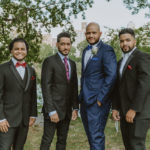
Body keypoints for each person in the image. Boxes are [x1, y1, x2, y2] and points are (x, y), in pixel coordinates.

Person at [79, 22, 117, 150]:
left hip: (97, 102)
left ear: (100, 33)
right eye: (88, 33)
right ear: (85, 34)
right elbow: (85, 76)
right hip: (85, 101)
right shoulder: (85, 51)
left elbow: (111, 76)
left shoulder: (107, 50)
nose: (91, 35)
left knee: (96, 136)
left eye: (94, 32)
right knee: (91, 136)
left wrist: (101, 99)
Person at [112, 28, 150, 150]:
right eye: (122, 41)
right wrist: (115, 108)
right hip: (124, 112)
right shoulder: (120, 62)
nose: (124, 44)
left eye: (128, 40)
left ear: (134, 41)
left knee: (136, 146)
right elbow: (118, 87)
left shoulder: (143, 57)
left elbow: (144, 85)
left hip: (139, 113)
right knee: (128, 145)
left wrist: (133, 109)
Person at [40, 32, 79, 150]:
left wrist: (75, 107)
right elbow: (45, 87)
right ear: (57, 44)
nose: (66, 47)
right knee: (47, 140)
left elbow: (74, 87)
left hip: (66, 111)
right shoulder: (49, 61)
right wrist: (51, 111)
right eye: (62, 44)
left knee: (62, 140)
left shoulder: (72, 63)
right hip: (53, 110)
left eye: (68, 44)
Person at [0, 38, 37, 150]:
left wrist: (33, 114)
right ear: (11, 51)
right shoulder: (2, 69)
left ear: (26, 51)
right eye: (16, 49)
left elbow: (33, 94)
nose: (19, 51)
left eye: (22, 49)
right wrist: (1, 118)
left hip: (24, 119)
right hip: (7, 120)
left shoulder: (31, 70)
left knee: (19, 148)